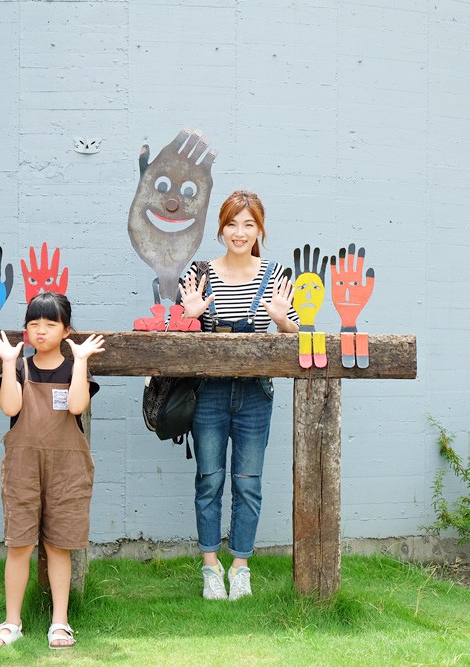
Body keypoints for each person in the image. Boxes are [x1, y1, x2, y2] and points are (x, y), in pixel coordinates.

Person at [178, 190, 300, 600]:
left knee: (248, 483)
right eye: (232, 223)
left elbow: (294, 339)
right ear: (221, 228)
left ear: (260, 229)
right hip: (208, 393)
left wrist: (284, 322)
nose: (240, 232)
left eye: (249, 224)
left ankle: (241, 567)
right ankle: (211, 568)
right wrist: (188, 316)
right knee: (209, 479)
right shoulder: (197, 274)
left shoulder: (277, 274)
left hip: (254, 393)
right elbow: (174, 336)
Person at [0, 292, 105, 649]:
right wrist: (8, 362)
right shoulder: (20, 367)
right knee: (19, 545)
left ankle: (60, 622)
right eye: (33, 323)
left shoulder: (74, 369)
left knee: (58, 546)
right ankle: (11, 622)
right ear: (25, 330)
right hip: (22, 468)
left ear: (66, 330)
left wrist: (80, 361)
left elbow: (77, 405)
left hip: (67, 470)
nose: (41, 330)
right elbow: (10, 405)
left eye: (50, 324)